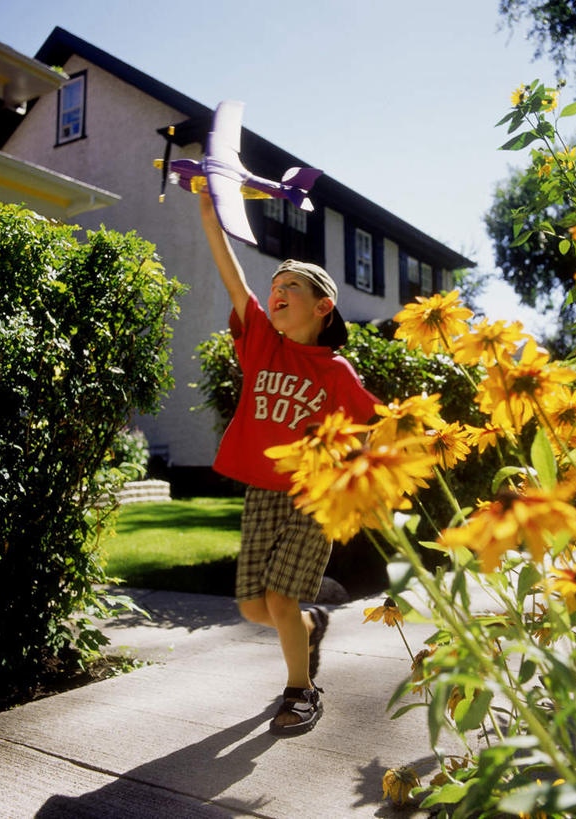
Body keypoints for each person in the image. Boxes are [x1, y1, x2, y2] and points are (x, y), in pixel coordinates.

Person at [198, 194, 379, 735]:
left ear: (323, 306)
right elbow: (236, 282)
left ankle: (301, 691)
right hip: (261, 491)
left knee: (279, 597)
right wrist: (210, 214)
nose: (276, 294)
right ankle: (312, 625)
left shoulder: (336, 370)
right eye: (274, 288)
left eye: (290, 287)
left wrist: (361, 481)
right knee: (256, 608)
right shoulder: (261, 346)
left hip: (312, 496)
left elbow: (370, 427)